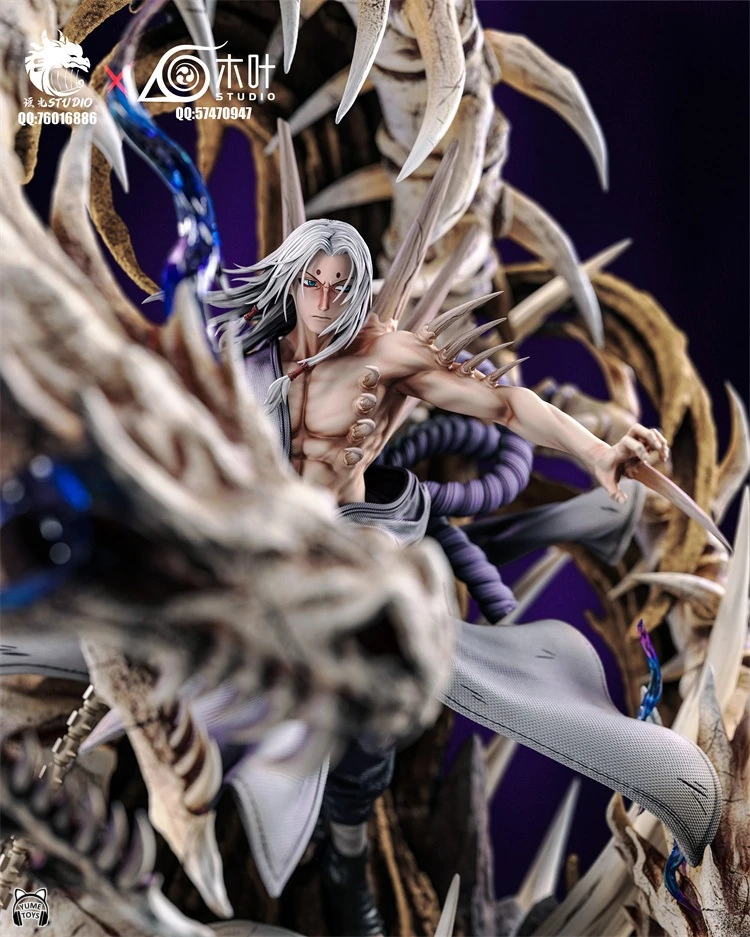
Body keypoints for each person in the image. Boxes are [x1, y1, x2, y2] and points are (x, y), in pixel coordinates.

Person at [208, 219, 720, 937]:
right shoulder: (246, 353)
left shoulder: (383, 353)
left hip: (357, 547)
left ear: (357, 288)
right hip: (261, 549)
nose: (323, 299)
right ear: (292, 281)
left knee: (376, 682)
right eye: (312, 282)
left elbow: (507, 405)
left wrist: (597, 449)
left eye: (339, 284)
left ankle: (347, 853)